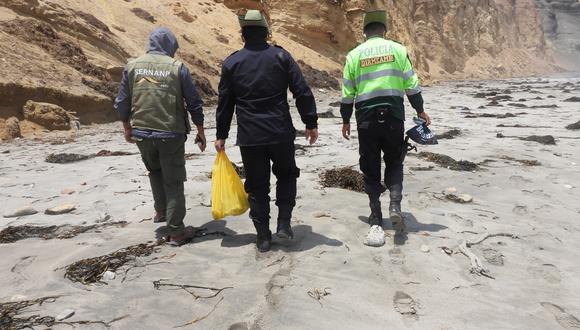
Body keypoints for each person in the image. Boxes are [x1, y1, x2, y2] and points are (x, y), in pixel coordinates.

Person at [215, 10, 319, 252]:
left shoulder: (232, 62)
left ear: (243, 35)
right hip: (280, 132)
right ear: (266, 33)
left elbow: (225, 102)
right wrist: (310, 122)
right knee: (286, 175)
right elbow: (301, 90)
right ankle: (284, 224)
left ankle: (263, 236)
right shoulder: (281, 56)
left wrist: (221, 135)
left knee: (257, 184)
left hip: (250, 137)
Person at [340, 10, 431, 234]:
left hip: (366, 119)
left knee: (370, 165)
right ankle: (395, 205)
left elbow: (347, 91)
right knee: (394, 160)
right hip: (393, 116)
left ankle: (375, 214)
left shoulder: (354, 55)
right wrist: (420, 110)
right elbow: (411, 83)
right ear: (385, 30)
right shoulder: (398, 50)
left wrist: (345, 119)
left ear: (364, 32)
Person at [114, 27, 206, 246]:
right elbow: (194, 102)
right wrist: (200, 130)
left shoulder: (133, 66)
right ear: (170, 46)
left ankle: (161, 211)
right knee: (173, 180)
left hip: (142, 133)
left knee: (154, 171)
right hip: (170, 133)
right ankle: (176, 231)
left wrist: (127, 126)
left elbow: (122, 101)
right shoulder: (177, 68)